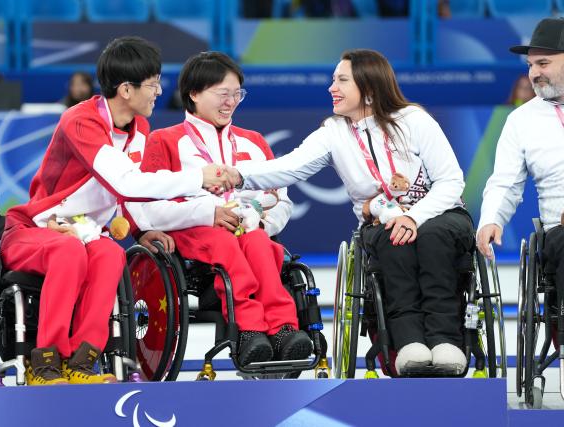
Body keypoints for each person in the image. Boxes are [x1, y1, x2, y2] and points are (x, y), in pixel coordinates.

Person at [0, 37, 233, 386]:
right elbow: (124, 182)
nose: (158, 91)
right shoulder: (80, 121)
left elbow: (130, 192)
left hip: (87, 233)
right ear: (126, 89)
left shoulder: (141, 129)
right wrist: (198, 177)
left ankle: (82, 360)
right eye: (153, 84)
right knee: (69, 250)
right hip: (36, 228)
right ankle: (45, 361)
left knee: (110, 254)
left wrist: (140, 231)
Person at [228, 49, 472, 375]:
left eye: (342, 80)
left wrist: (414, 216)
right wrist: (239, 175)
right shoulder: (335, 131)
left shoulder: (414, 120)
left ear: (369, 90)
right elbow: (289, 167)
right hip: (381, 221)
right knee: (392, 242)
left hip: (439, 214)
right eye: (333, 80)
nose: (332, 87)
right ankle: (409, 344)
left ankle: (446, 343)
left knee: (433, 238)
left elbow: (451, 180)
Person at [125, 52, 313, 365]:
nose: (231, 102)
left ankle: (283, 327)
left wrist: (263, 224)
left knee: (259, 243)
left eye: (237, 94)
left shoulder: (253, 142)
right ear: (194, 93)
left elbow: (282, 199)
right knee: (223, 241)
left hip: (247, 232)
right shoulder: (163, 141)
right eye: (223, 94)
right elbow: (145, 206)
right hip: (192, 233)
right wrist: (207, 214)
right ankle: (249, 329)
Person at [477, 18, 564, 316]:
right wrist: (491, 219)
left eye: (543, 63)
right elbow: (505, 182)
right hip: (560, 232)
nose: (533, 74)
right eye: (530, 65)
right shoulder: (521, 120)